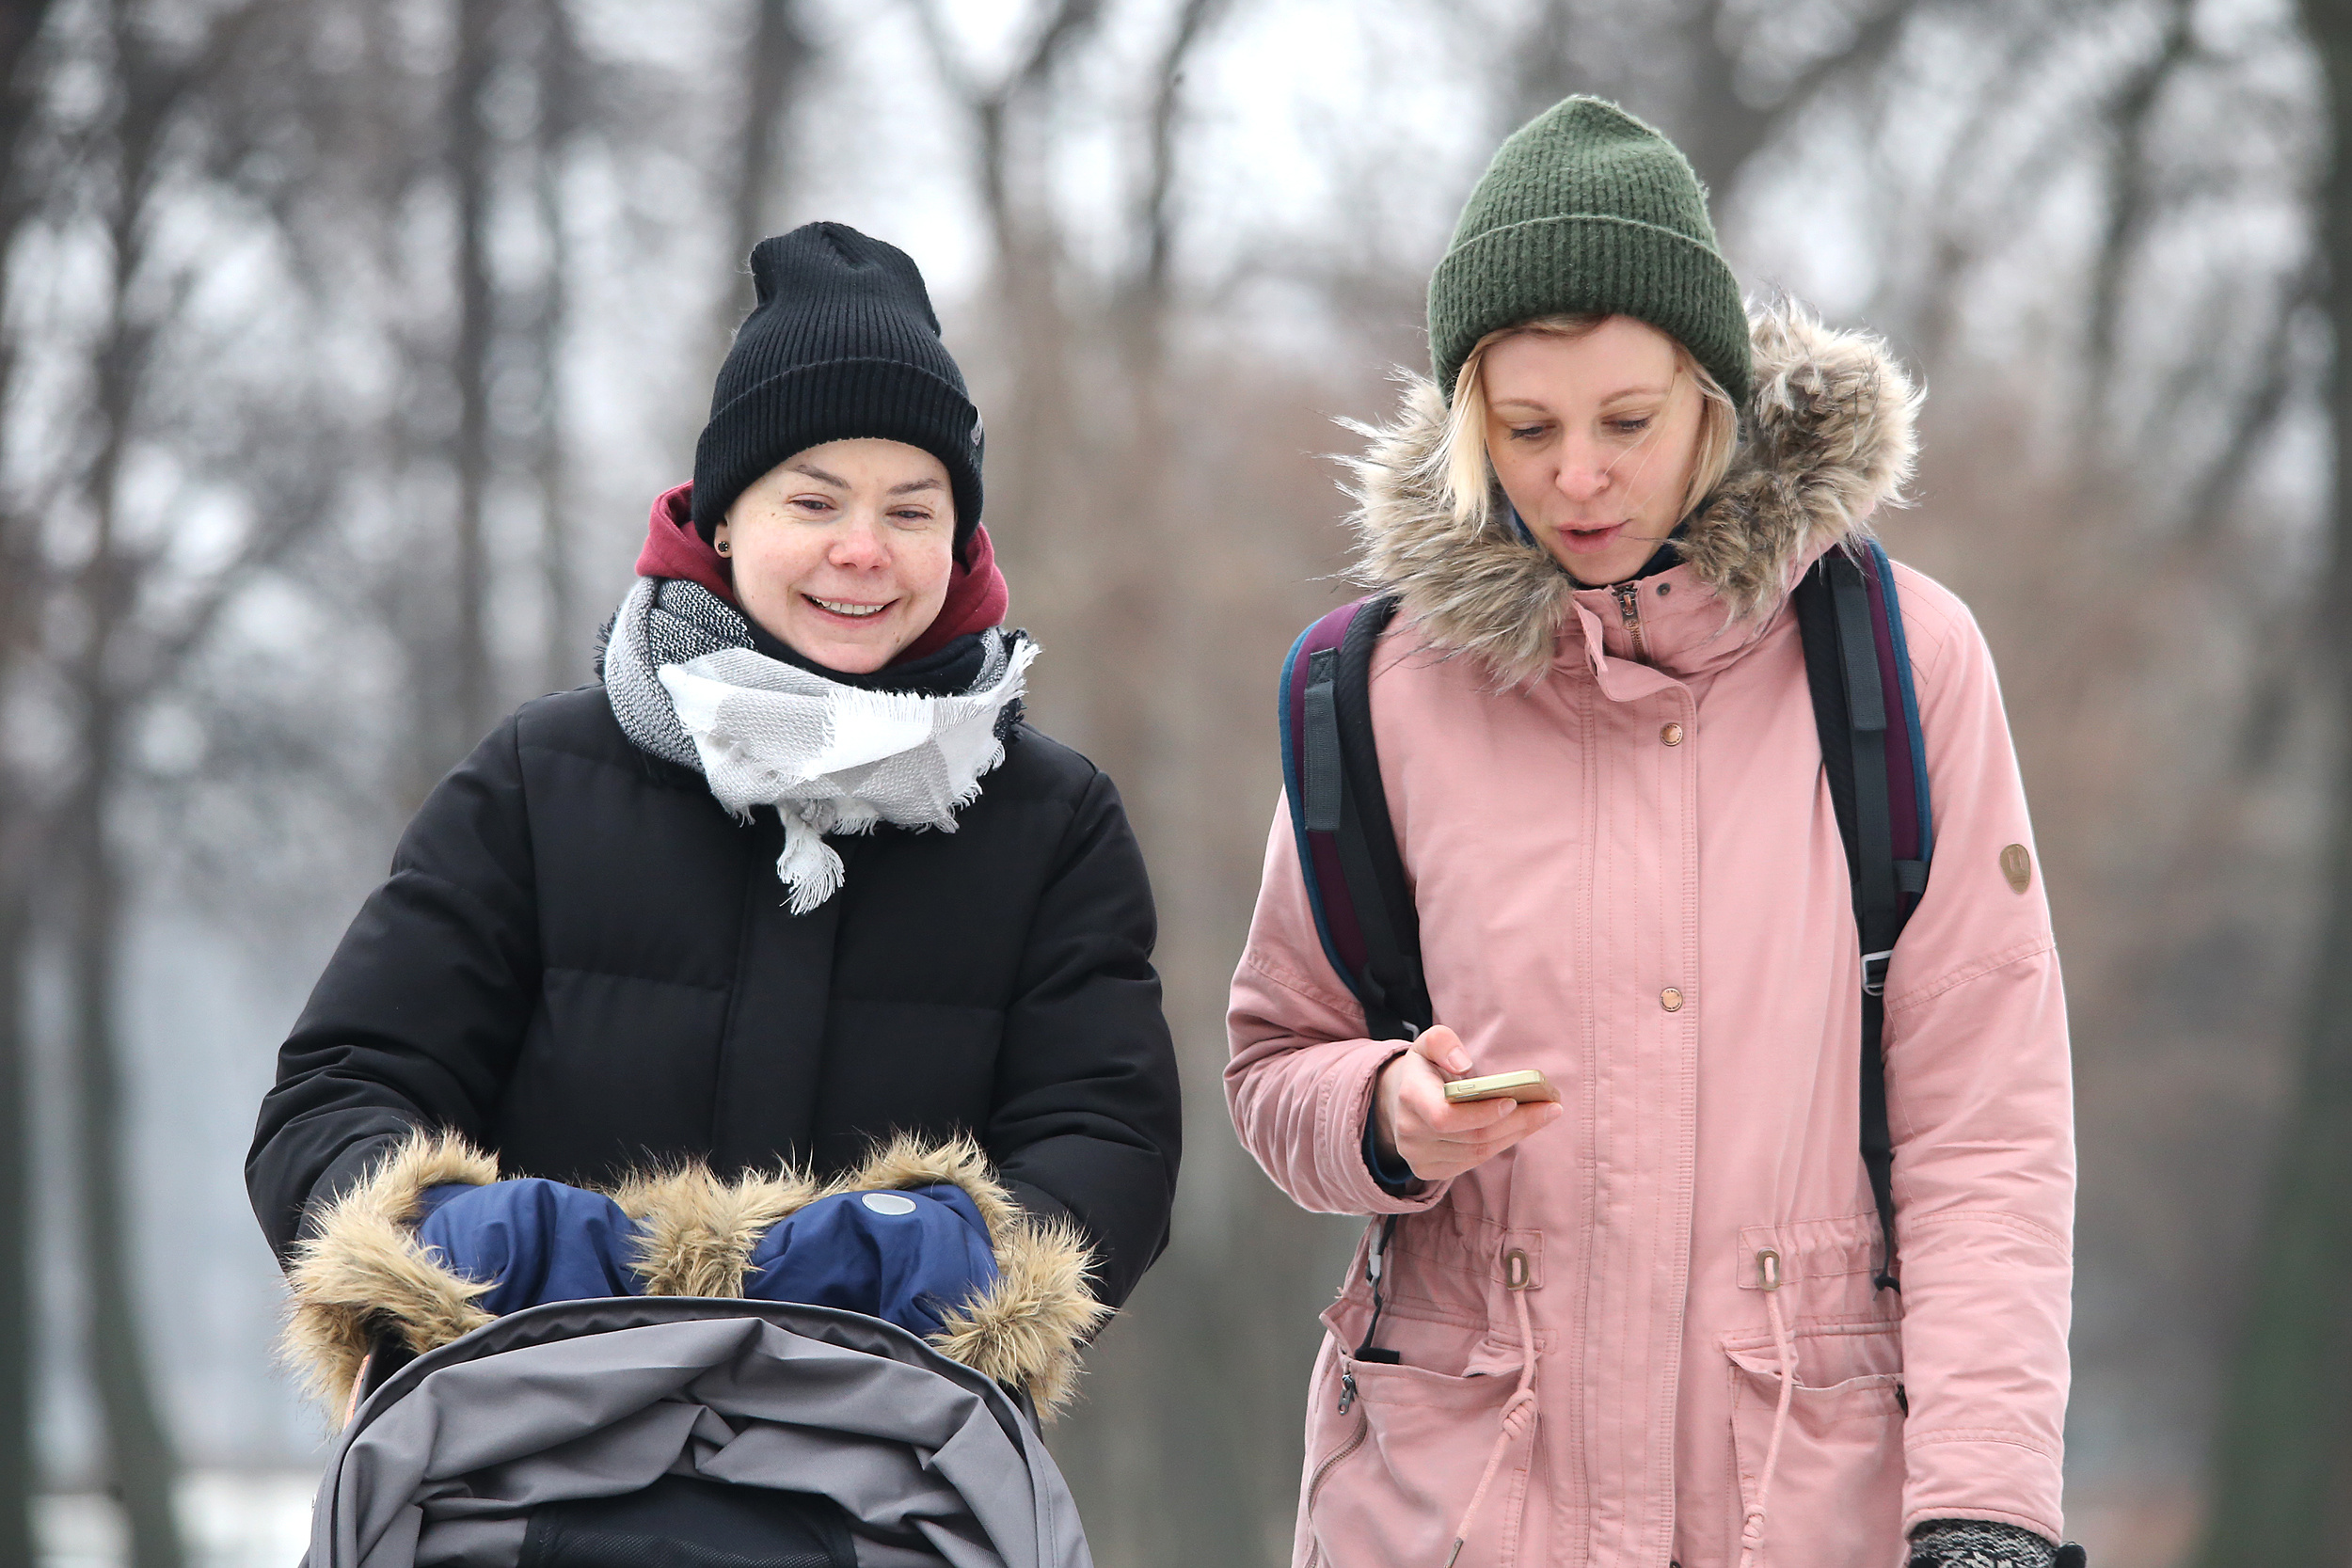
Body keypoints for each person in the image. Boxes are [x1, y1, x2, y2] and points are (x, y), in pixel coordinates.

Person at [1227, 99, 2073, 1568]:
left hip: (1803, 1500)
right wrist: (1382, 1111)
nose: (1578, 477)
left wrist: (1984, 1507)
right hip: (1445, 1504)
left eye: (1627, 421)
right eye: (1528, 427)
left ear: (1714, 398)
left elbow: (1987, 1127)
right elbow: (1271, 1063)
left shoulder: (1901, 660)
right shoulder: (1372, 689)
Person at [248, 223, 1183, 1402]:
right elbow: (335, 1092)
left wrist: (949, 1258)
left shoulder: (1049, 820)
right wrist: (475, 1239)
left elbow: (1109, 1144)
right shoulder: (542, 779)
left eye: (911, 509)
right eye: (815, 498)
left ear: (961, 536)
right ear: (727, 516)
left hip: (893, 1475)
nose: (862, 550)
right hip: (534, 1459)